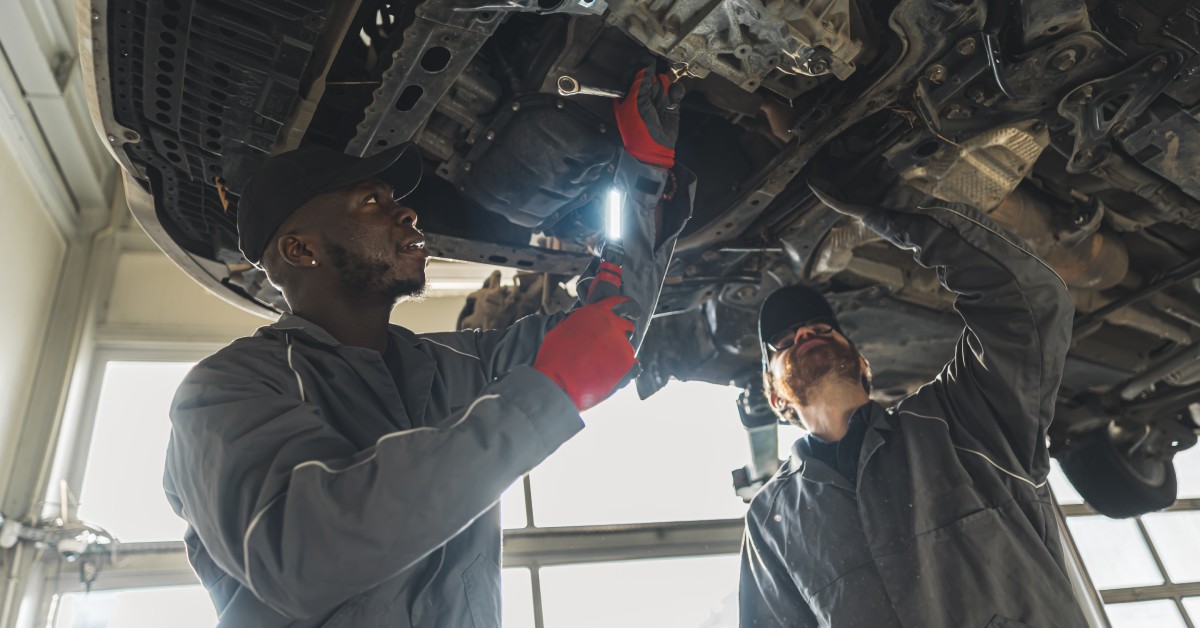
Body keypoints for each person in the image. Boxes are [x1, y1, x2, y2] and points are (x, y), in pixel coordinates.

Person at [163, 64, 689, 626]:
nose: (407, 211)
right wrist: (542, 395)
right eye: (370, 202)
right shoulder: (224, 391)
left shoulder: (457, 365)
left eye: (394, 199)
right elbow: (303, 553)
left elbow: (608, 321)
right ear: (300, 251)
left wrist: (642, 176)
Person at [739, 185, 1088, 627]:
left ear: (862, 363)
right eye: (786, 343)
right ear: (775, 399)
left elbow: (1028, 306)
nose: (806, 334)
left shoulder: (960, 416)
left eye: (822, 327)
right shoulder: (771, 522)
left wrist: (889, 201)